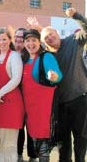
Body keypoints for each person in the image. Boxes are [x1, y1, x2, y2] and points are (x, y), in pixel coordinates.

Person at [40, 8, 87, 162]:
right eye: (46, 37)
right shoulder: (48, 56)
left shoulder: (73, 41)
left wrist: (75, 15)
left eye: (51, 34)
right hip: (60, 105)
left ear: (57, 33)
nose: (50, 38)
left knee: (81, 140)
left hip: (80, 100)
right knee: (63, 143)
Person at [21, 29, 62, 162]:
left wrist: (54, 76)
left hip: (43, 110)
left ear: (40, 42)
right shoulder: (24, 59)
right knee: (33, 142)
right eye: (27, 41)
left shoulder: (46, 57)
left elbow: (57, 75)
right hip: (29, 109)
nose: (30, 44)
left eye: (34, 40)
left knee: (43, 146)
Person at [0, 27, 24, 162]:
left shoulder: (14, 56)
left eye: (4, 39)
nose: (1, 42)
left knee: (8, 143)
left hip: (11, 104)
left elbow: (16, 79)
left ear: (10, 40)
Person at [13, 27, 38, 162]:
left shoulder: (29, 55)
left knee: (31, 128)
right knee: (19, 128)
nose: (19, 39)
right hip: (15, 98)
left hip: (30, 98)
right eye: (17, 36)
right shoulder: (9, 52)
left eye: (22, 37)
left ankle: (33, 156)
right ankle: (18, 155)